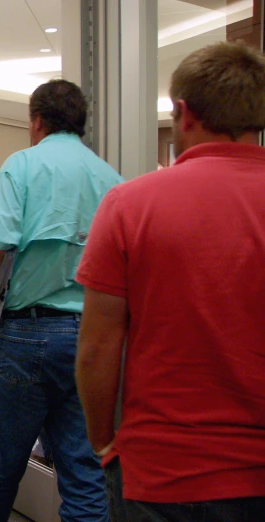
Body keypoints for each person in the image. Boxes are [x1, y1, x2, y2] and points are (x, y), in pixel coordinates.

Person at [75, 41, 265, 521]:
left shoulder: (130, 205)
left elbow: (97, 349)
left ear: (184, 112)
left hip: (163, 473)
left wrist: (103, 442)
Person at [0, 79, 122, 522]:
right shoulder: (111, 179)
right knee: (84, 473)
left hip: (28, 336)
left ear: (37, 121)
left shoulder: (23, 167)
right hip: (93, 339)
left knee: (0, 462)